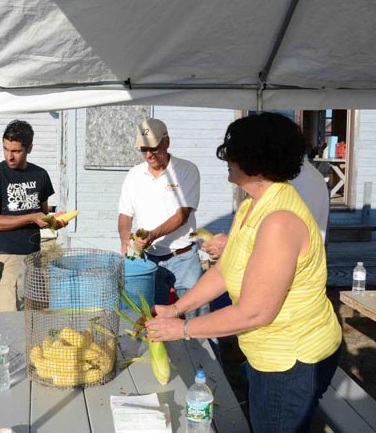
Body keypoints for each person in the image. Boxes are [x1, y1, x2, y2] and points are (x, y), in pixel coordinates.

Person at [144, 112, 342, 432]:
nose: (227, 160)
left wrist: (181, 330)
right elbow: (225, 270)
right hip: (267, 354)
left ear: (254, 160)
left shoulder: (279, 221)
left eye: (232, 153)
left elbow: (254, 313)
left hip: (292, 361)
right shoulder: (253, 205)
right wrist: (177, 308)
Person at [118, 118, 209, 317]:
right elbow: (125, 214)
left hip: (183, 257)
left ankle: (205, 348)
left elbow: (182, 214)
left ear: (167, 142)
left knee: (198, 315)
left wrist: (152, 234)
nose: (148, 155)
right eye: (143, 150)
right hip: (150, 260)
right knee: (154, 317)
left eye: (154, 148)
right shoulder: (134, 175)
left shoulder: (186, 170)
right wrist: (126, 238)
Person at [0, 120, 64, 323]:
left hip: (33, 257)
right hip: (6, 258)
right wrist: (31, 217)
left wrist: (54, 221)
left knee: (35, 316)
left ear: (29, 148)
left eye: (16, 151)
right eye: (6, 149)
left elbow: (43, 215)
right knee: (7, 317)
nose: (9, 156)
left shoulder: (40, 175)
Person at [201, 156, 330, 259]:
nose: (227, 159)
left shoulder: (305, 184)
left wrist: (230, 247)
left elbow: (284, 250)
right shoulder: (251, 200)